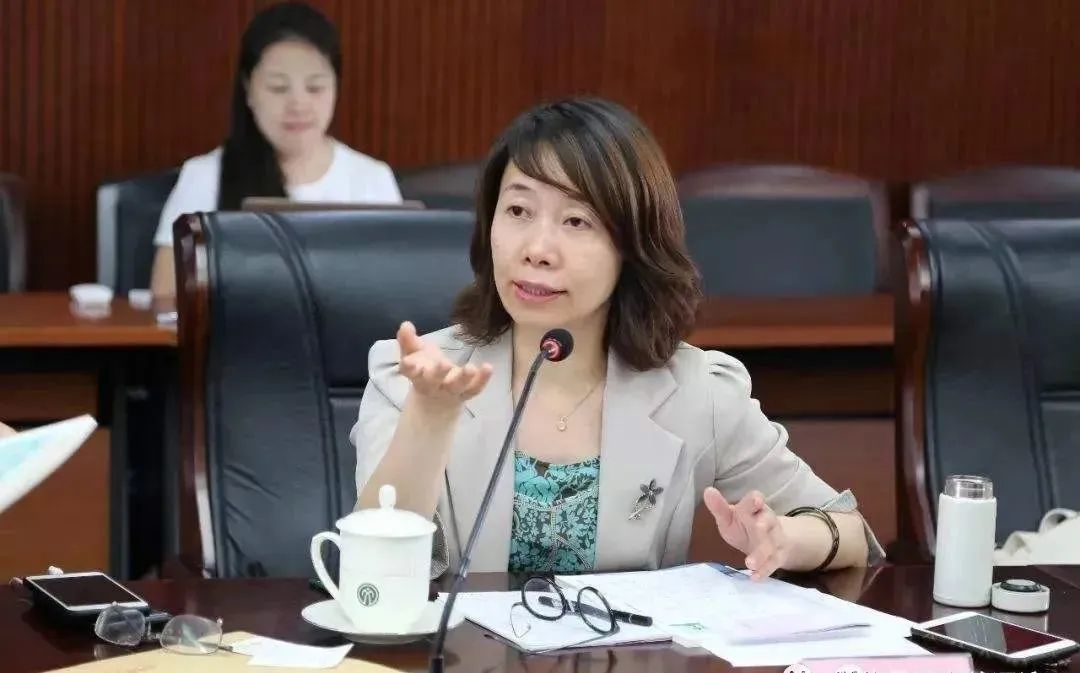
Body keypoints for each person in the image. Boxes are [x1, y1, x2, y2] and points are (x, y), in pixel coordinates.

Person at [351, 98, 882, 579]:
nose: (537, 249)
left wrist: (783, 539)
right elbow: (372, 572)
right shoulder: (415, 376)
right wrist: (428, 420)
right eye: (517, 211)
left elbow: (849, 530)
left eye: (576, 221)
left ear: (632, 246)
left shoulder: (697, 390)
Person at [150, 1, 402, 298]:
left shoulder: (373, 179)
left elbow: (397, 294)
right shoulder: (205, 177)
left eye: (315, 87)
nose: (298, 104)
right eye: (278, 88)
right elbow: (166, 297)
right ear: (248, 89)